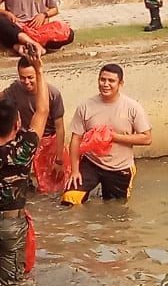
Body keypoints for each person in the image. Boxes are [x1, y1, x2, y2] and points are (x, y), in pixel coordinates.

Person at [0, 41, 48, 284]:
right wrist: (40, 70)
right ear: (17, 124)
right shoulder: (23, 149)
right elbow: (42, 111)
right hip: (9, 226)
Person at [62, 64, 152, 205]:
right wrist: (74, 170)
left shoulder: (132, 107)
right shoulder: (85, 106)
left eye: (111, 81)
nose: (106, 84)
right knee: (69, 200)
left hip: (120, 167)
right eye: (102, 80)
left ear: (120, 84)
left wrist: (113, 136)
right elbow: (75, 139)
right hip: (91, 162)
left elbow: (147, 138)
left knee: (116, 210)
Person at [0, 56, 66, 185]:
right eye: (22, 77)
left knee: (49, 186)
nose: (26, 82)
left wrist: (59, 159)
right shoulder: (16, 87)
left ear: (38, 74)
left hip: (47, 143)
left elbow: (60, 127)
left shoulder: (53, 94)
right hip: (24, 141)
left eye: (30, 77)